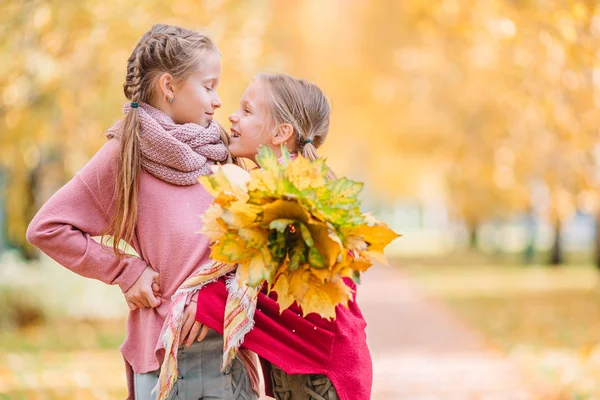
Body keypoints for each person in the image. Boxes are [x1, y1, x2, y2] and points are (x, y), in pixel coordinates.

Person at [26, 24, 259, 400]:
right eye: (208, 86)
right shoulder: (126, 154)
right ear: (169, 87)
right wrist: (125, 270)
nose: (218, 101)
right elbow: (48, 228)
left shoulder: (222, 154)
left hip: (227, 359)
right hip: (164, 358)